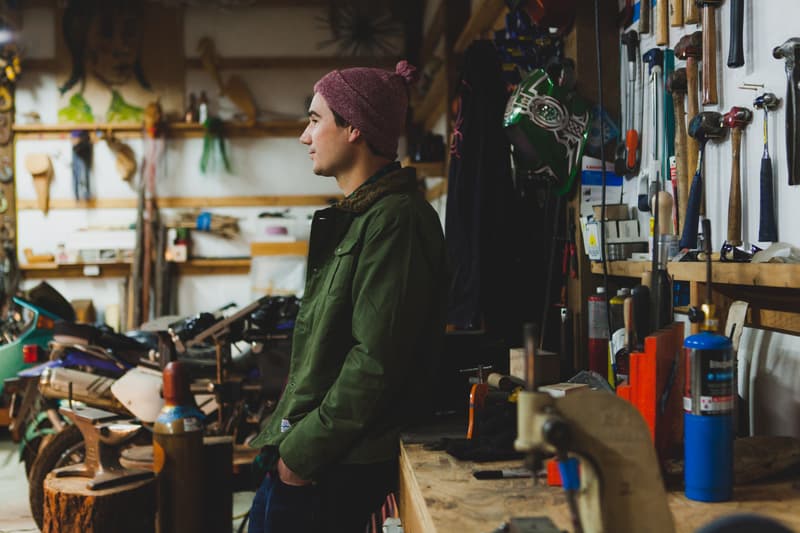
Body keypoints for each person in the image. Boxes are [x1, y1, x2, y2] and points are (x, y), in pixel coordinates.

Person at [247, 60, 449, 533]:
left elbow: (375, 361)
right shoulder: (362, 218)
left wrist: (300, 455)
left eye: (316, 120)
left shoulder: (396, 221)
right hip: (317, 454)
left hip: (334, 464)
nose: (304, 135)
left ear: (355, 127)